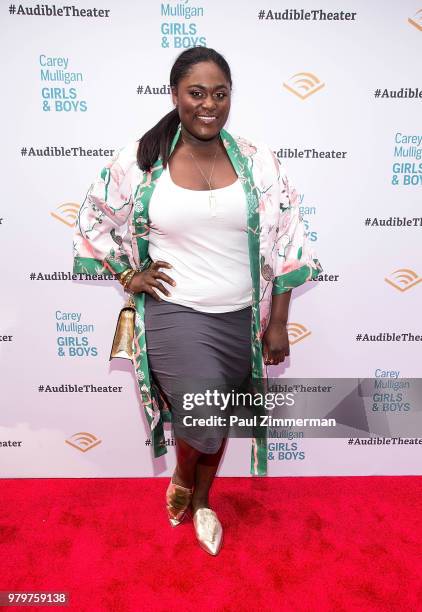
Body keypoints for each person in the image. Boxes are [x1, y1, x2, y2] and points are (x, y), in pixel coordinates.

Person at [73, 47, 322, 556]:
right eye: (196, 93)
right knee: (203, 416)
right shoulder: (142, 159)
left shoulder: (258, 162)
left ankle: (202, 499)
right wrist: (127, 272)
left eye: (220, 93)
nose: (209, 104)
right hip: (174, 311)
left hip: (239, 317)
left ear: (230, 96)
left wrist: (278, 323)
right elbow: (91, 220)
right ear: (176, 95)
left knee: (215, 417)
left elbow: (289, 239)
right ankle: (186, 482)